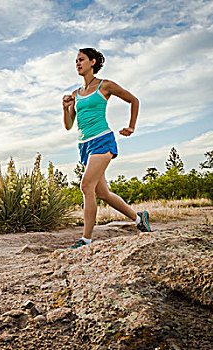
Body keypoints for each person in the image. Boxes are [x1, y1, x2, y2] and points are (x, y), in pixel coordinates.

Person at [62, 48, 152, 249]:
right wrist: (65, 107)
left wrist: (131, 126)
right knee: (102, 193)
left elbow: (133, 100)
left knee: (86, 186)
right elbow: (69, 125)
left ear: (92, 62)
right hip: (84, 145)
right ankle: (139, 219)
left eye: (81, 60)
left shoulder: (105, 85)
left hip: (102, 140)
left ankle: (85, 240)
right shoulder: (76, 94)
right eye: (76, 61)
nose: (77, 63)